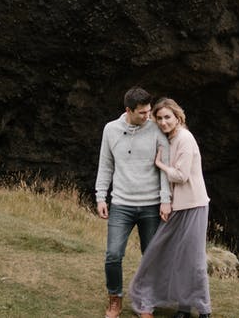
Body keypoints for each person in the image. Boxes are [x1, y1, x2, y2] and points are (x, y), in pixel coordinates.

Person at [128, 97, 211, 318]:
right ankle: (183, 307)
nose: (164, 122)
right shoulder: (168, 139)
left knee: (193, 260)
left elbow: (181, 176)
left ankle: (203, 310)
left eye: (168, 117)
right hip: (176, 207)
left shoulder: (185, 138)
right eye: (160, 118)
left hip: (194, 205)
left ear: (177, 117)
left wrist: (160, 165)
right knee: (167, 256)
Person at [97, 87, 173, 318]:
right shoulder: (110, 129)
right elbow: (106, 165)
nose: (148, 116)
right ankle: (115, 299)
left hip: (151, 205)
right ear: (128, 110)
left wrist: (165, 200)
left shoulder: (156, 129)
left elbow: (164, 168)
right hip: (121, 203)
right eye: (142, 113)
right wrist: (101, 196)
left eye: (149, 111)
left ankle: (145, 303)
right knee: (113, 254)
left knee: (149, 256)